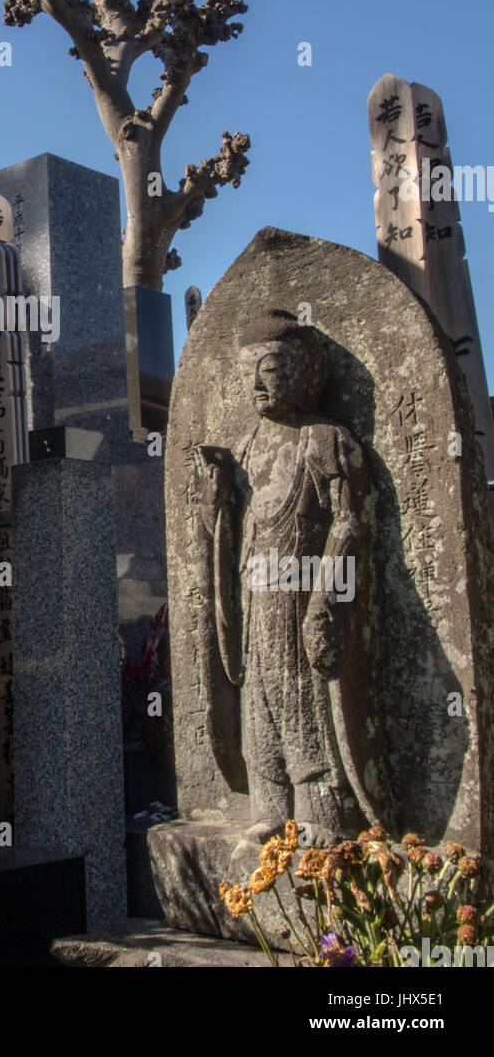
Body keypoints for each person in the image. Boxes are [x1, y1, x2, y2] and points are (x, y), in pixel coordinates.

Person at [193, 310, 376, 839]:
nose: (255, 384)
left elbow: (349, 523)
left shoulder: (325, 439)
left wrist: (324, 599)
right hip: (255, 599)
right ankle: (270, 804)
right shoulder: (248, 445)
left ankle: (323, 811)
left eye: (269, 369)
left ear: (302, 373)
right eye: (249, 371)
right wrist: (217, 499)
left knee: (305, 704)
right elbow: (226, 529)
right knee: (259, 707)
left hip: (299, 595)